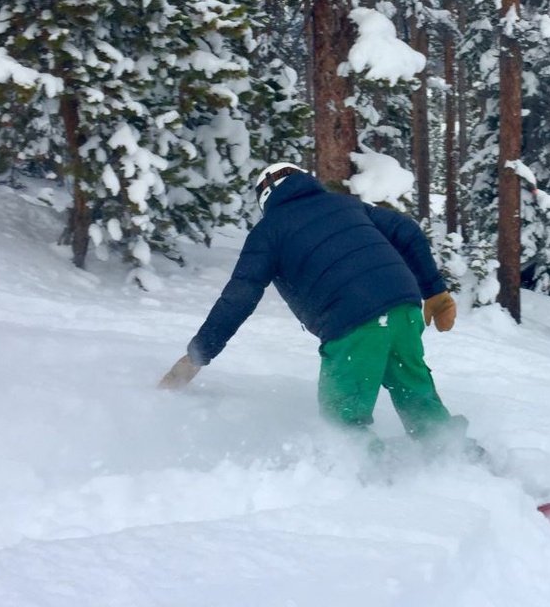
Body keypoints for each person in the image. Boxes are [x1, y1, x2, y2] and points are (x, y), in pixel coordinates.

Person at [159, 163, 466, 449]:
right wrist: (435, 293)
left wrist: (198, 354)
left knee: (342, 420)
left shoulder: (269, 231)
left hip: (353, 320)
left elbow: (238, 297)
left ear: (265, 199)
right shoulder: (346, 204)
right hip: (404, 307)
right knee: (416, 394)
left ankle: (367, 480)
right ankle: (456, 455)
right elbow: (407, 231)